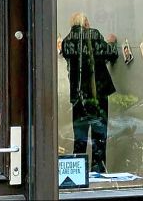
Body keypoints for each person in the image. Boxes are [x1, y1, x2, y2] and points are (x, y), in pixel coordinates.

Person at [61, 12, 118, 173]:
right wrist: (111, 42)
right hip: (97, 94)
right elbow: (110, 53)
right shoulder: (93, 34)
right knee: (99, 136)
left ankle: (78, 174)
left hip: (78, 97)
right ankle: (98, 172)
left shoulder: (66, 42)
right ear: (85, 23)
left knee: (80, 137)